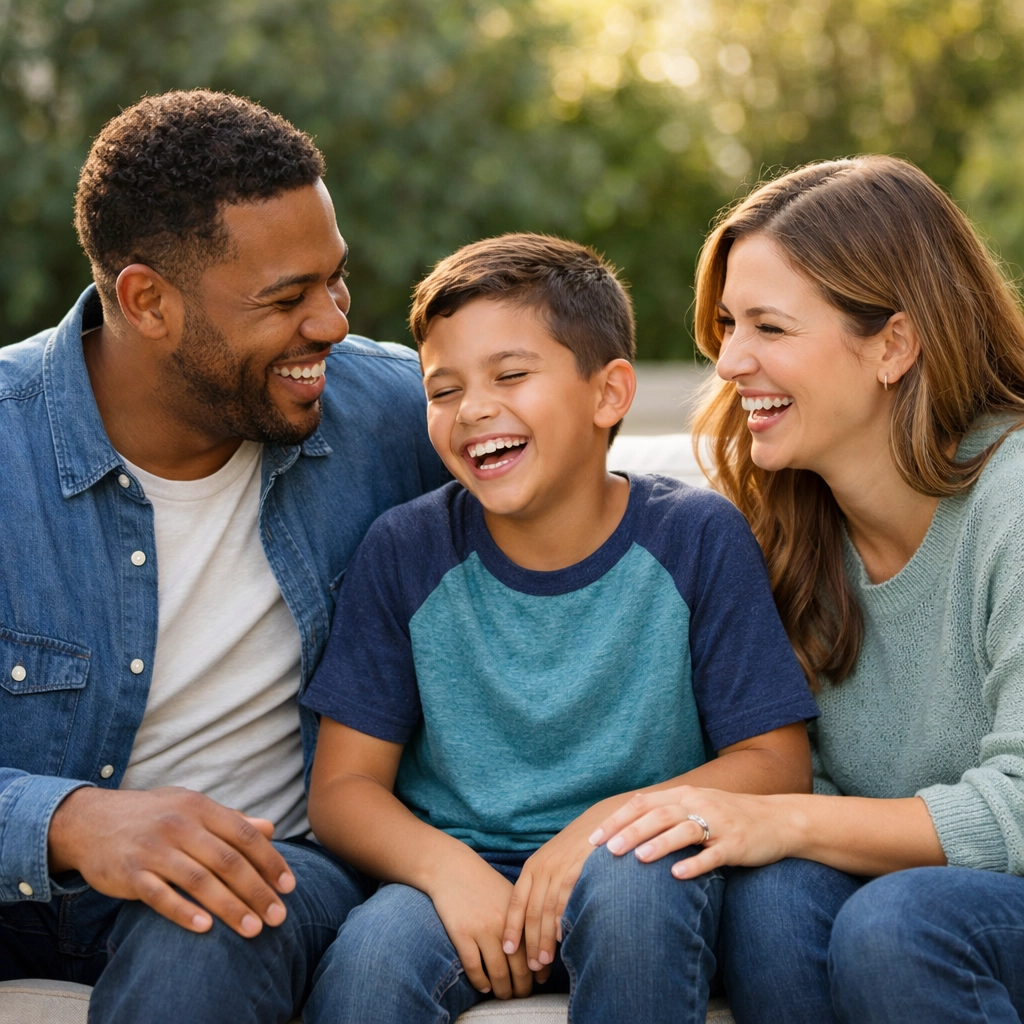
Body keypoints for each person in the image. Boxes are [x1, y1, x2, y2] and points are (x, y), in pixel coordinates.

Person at [0, 90, 445, 1023]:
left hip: (266, 876)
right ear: (146, 301)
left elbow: (595, 521)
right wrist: (72, 821)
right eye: (286, 298)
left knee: (216, 913)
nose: (329, 323)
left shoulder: (400, 417)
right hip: (21, 878)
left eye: (337, 281)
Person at [297, 232, 819, 1023]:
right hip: (457, 871)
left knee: (635, 889)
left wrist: (597, 831)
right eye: (442, 390)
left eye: (510, 375)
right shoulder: (405, 550)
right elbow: (342, 789)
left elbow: (775, 761)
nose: (472, 408)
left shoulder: (696, 538)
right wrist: (447, 871)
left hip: (636, 869)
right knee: (370, 963)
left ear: (609, 393)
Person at [589, 156, 1024, 1024]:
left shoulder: (1012, 500)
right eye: (726, 326)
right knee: (773, 904)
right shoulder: (781, 523)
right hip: (904, 905)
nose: (732, 360)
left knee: (895, 925)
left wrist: (784, 822)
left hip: (961, 915)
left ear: (893, 344)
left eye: (770, 328)